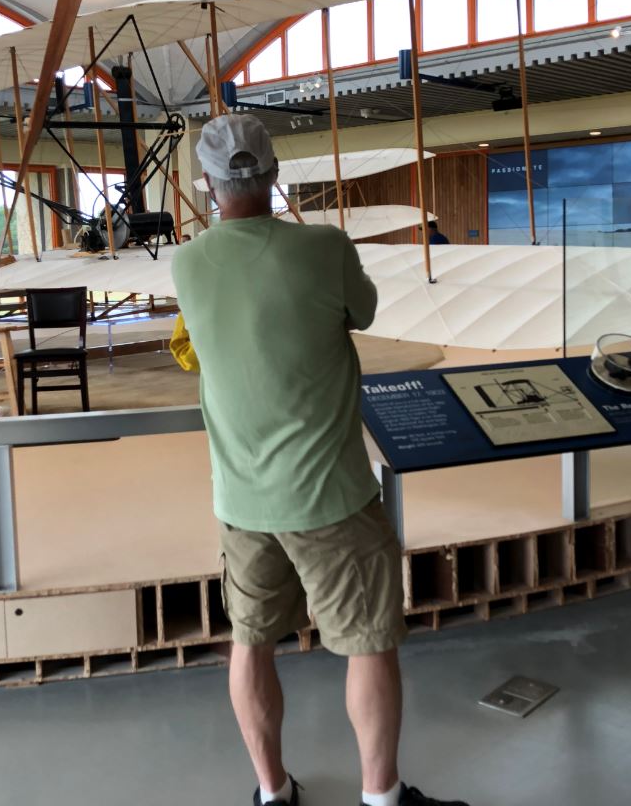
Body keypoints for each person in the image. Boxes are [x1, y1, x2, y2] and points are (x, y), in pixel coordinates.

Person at [172, 114, 467, 806]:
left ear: (210, 187)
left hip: (241, 501)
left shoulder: (186, 263)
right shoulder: (325, 247)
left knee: (249, 642)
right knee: (367, 643)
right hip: (332, 495)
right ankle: (380, 796)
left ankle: (273, 792)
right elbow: (361, 312)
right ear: (274, 175)